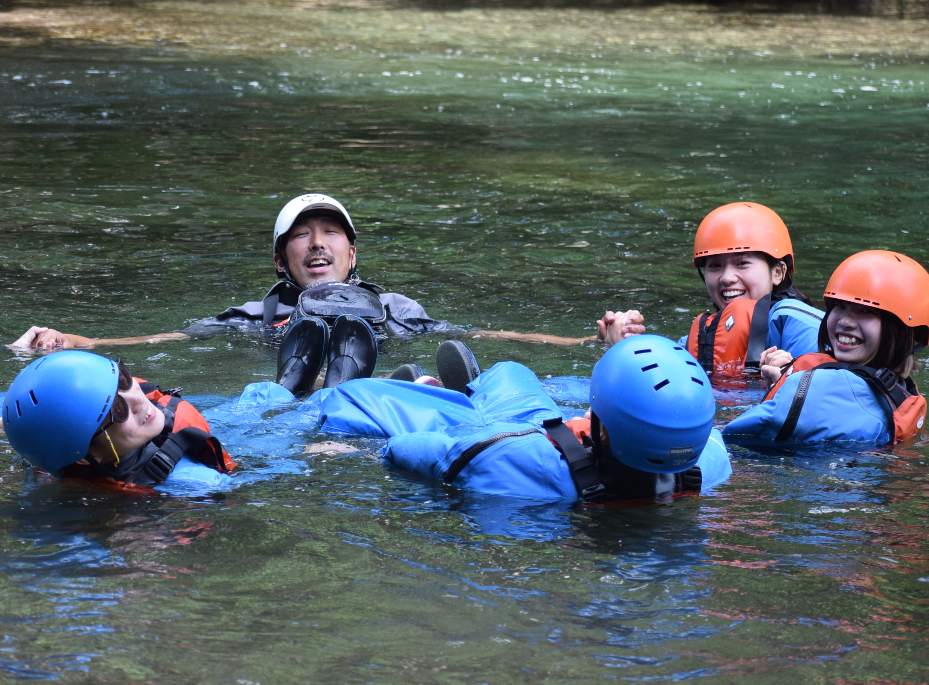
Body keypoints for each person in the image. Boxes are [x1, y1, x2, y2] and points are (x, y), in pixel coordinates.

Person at [11, 193, 593, 395]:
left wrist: (585, 340)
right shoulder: (253, 317)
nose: (318, 245)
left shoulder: (396, 310)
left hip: (383, 374)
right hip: (288, 386)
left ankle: (401, 387)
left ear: (353, 253)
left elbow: (479, 335)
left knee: (439, 371)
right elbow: (165, 340)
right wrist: (73, 341)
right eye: (302, 237)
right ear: (280, 259)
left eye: (331, 233)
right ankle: (311, 381)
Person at [248, 335, 731, 503]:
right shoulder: (705, 462)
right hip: (545, 428)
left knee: (346, 399)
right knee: (511, 370)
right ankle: (460, 388)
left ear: (598, 420)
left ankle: (425, 393)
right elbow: (716, 440)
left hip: (505, 437)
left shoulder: (497, 461)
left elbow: (404, 450)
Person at [723, 250, 927, 446]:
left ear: (901, 331)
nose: (846, 321)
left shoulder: (824, 388)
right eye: (839, 306)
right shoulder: (901, 389)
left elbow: (728, 438)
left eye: (865, 311)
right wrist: (782, 389)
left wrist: (792, 395)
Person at [598, 202, 822, 378]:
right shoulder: (698, 339)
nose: (726, 278)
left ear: (778, 272)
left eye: (742, 263)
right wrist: (622, 346)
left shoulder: (794, 321)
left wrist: (788, 376)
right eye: (715, 266)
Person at [2, 350, 235, 493]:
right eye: (117, 409)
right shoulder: (49, 440)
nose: (139, 399)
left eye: (123, 379)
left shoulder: (200, 484)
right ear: (85, 458)